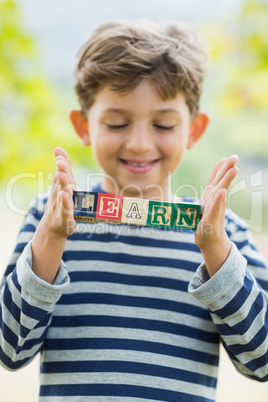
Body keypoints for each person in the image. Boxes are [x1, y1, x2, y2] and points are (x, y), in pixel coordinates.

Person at [1, 20, 268, 402]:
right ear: (83, 126)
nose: (140, 143)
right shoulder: (50, 218)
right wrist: (50, 242)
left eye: (162, 124)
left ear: (194, 129)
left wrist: (216, 254)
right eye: (117, 122)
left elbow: (261, 362)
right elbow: (9, 351)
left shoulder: (226, 235)